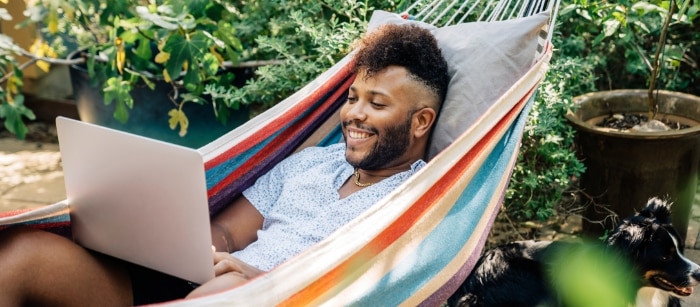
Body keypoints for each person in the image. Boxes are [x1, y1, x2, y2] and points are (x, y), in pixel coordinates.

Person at [0, 23, 449, 306]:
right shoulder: (310, 163)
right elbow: (230, 233)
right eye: (352, 98)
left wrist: (260, 280)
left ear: (420, 121)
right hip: (199, 286)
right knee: (20, 257)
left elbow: (365, 290)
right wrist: (189, 250)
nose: (354, 114)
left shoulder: (418, 202)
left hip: (261, 297)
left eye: (377, 103)